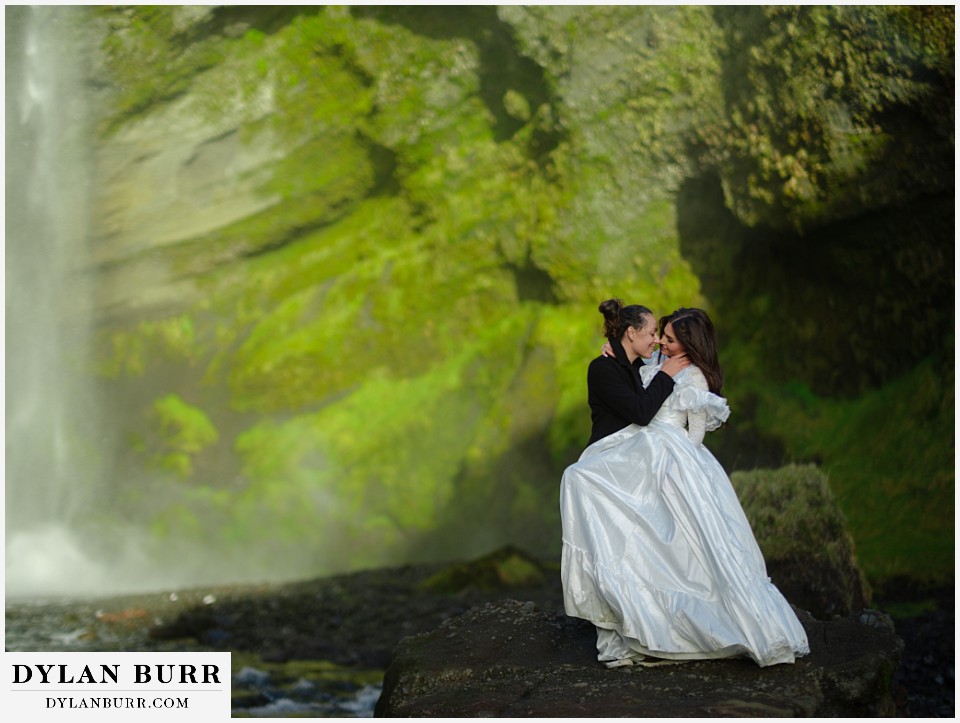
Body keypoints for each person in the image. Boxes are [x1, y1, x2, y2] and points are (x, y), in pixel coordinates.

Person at [560, 306, 810, 668]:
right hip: (642, 448)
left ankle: (694, 622)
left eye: (668, 338)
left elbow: (694, 433)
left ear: (688, 344)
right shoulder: (654, 361)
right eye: (657, 335)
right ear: (632, 333)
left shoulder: (693, 377)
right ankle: (636, 613)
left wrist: (681, 466)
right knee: (637, 528)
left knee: (688, 544)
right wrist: (616, 349)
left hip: (671, 454)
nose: (660, 342)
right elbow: (638, 377)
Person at [586, 298, 690, 446]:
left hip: (641, 449)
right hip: (609, 452)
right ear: (631, 333)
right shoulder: (602, 368)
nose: (657, 340)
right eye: (652, 333)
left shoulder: (642, 365)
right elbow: (640, 413)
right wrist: (665, 375)